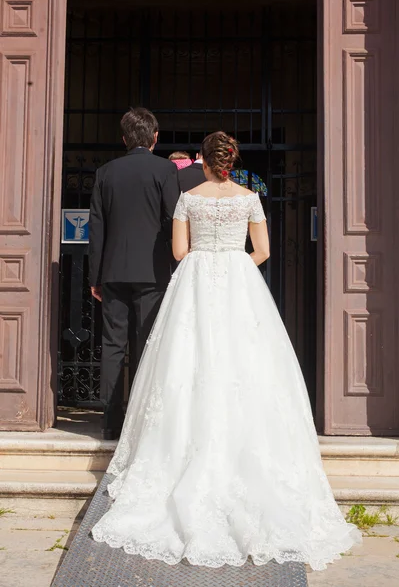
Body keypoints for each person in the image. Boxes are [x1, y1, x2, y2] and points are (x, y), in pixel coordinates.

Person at [91, 131, 361, 569]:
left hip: (195, 281)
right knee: (247, 361)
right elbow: (264, 251)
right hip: (240, 284)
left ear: (204, 160)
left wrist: (207, 258)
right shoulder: (250, 199)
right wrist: (232, 262)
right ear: (232, 161)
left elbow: (179, 252)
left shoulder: (188, 198)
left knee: (187, 363)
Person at [88, 107, 180, 440]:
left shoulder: (106, 172)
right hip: (153, 271)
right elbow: (175, 218)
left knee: (112, 347)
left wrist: (95, 276)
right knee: (147, 345)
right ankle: (141, 427)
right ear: (155, 137)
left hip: (113, 271)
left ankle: (110, 423)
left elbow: (96, 227)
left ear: (124, 138)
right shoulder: (165, 170)